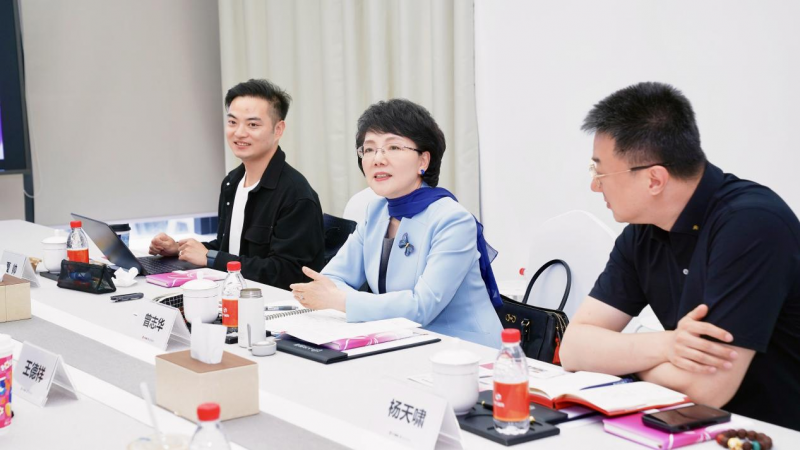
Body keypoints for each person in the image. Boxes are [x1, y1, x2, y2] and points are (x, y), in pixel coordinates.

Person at [559, 82, 800, 430]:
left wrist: (624, 361)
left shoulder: (752, 225)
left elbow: (707, 388)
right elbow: (574, 348)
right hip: (692, 425)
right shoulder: (643, 232)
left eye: (601, 172)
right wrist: (668, 344)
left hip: (772, 433)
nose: (595, 185)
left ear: (654, 180)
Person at [289, 99, 503, 348]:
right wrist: (342, 298)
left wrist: (342, 301)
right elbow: (332, 278)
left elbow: (421, 307)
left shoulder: (452, 220)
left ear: (423, 161)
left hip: (466, 350)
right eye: (369, 149)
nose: (378, 159)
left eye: (393, 147)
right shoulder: (376, 211)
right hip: (402, 341)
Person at [149, 79, 325, 290]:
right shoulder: (232, 182)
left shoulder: (296, 195)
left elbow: (288, 273)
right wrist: (179, 249)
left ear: (278, 129)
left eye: (253, 125)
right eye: (233, 122)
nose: (239, 133)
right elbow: (229, 248)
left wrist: (210, 257)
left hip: (272, 302)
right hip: (232, 294)